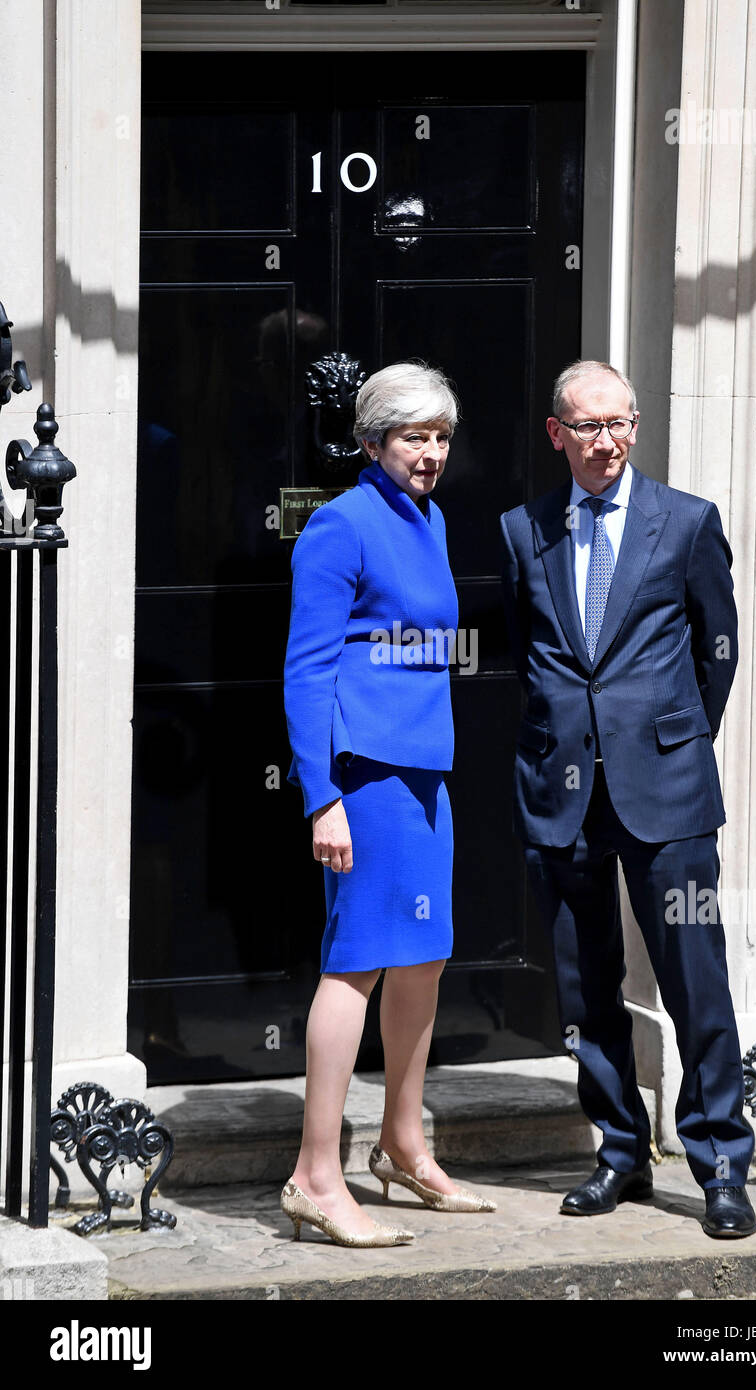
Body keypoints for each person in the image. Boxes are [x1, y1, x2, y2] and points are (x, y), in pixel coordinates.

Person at [499, 360, 756, 1239]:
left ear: (636, 429)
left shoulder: (686, 523)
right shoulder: (522, 529)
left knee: (695, 978)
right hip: (562, 794)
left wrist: (675, 741)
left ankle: (721, 1160)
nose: (603, 442)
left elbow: (717, 649)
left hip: (667, 795)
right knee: (586, 988)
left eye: (618, 425)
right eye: (586, 427)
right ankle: (618, 1151)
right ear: (556, 433)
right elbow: (520, 652)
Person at [281, 361, 496, 1247]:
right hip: (365, 777)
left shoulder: (432, 519)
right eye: (416, 436)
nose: (433, 453)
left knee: (424, 958)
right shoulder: (339, 526)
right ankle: (314, 1176)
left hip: (425, 773)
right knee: (358, 962)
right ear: (372, 443)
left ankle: (403, 1144)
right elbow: (306, 670)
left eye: (443, 437)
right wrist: (321, 797)